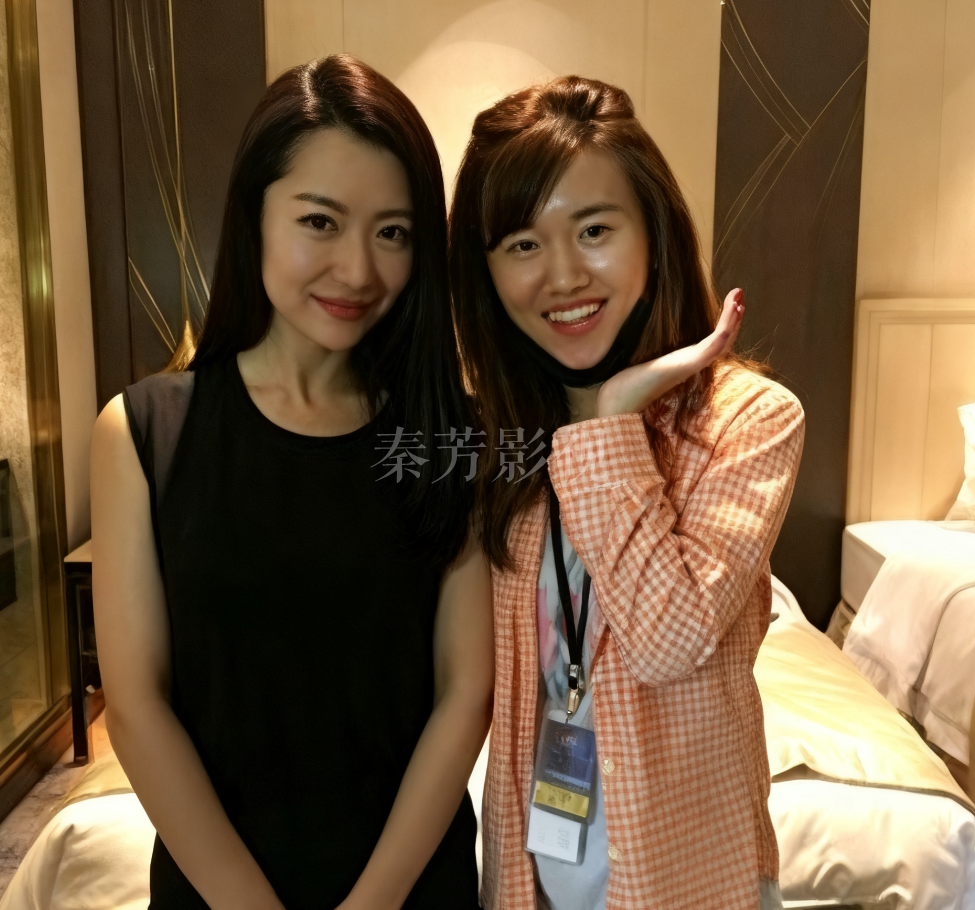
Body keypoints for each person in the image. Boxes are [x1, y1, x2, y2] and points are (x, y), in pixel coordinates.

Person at [91, 55, 493, 910]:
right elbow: (135, 706)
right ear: (254, 216)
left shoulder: (448, 434)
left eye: (393, 233)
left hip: (412, 887)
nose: (358, 270)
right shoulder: (145, 432)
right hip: (215, 888)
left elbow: (465, 693)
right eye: (320, 221)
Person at [448, 76, 804, 910]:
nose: (563, 275)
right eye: (522, 245)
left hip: (689, 880)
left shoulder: (749, 421)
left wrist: (609, 421)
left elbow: (665, 640)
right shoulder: (492, 439)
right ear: (486, 272)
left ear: (654, 231)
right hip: (531, 871)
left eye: (595, 230)